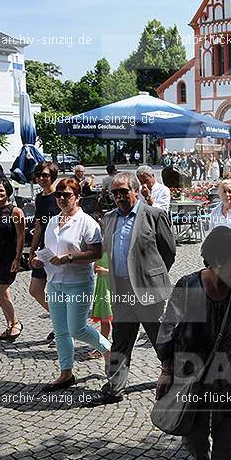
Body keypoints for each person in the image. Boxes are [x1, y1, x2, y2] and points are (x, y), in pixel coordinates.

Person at [155, 226, 231, 460]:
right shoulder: (188, 286)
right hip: (193, 384)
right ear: (219, 259)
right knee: (195, 444)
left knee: (227, 449)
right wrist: (167, 370)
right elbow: (168, 330)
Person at [83, 172, 176, 406]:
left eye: (123, 191)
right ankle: (115, 387)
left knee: (160, 340)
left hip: (147, 290)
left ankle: (176, 380)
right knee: (121, 341)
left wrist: (151, 275)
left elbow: (169, 251)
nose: (118, 196)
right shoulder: (110, 217)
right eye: (114, 193)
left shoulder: (154, 215)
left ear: (136, 190)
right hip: (121, 289)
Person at [29, 177, 110, 391]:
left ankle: (109, 349)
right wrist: (40, 258)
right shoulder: (53, 221)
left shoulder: (87, 223)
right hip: (56, 282)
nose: (63, 198)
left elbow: (96, 252)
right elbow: (50, 249)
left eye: (67, 195)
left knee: (77, 329)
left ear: (77, 197)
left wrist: (70, 258)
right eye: (59, 195)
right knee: (61, 330)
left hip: (78, 282)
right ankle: (66, 373)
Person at [0, 176, 25, 342]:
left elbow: (21, 237)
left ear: (7, 192)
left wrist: (17, 257)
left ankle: (16, 323)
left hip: (8, 257)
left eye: (1, 190)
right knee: (4, 294)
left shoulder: (15, 212)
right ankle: (9, 327)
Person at [28, 162, 60, 345]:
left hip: (57, 250)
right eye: (38, 175)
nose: (41, 178)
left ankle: (61, 327)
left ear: (53, 176)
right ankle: (59, 320)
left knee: (56, 291)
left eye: (45, 175)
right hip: (43, 250)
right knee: (35, 290)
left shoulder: (59, 196)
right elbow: (39, 226)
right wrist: (32, 252)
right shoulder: (39, 198)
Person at [89, 251, 113, 359]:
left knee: (116, 321)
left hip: (114, 287)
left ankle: (117, 347)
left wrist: (106, 271)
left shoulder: (116, 245)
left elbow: (125, 269)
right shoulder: (102, 247)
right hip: (102, 287)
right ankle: (103, 346)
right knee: (104, 320)